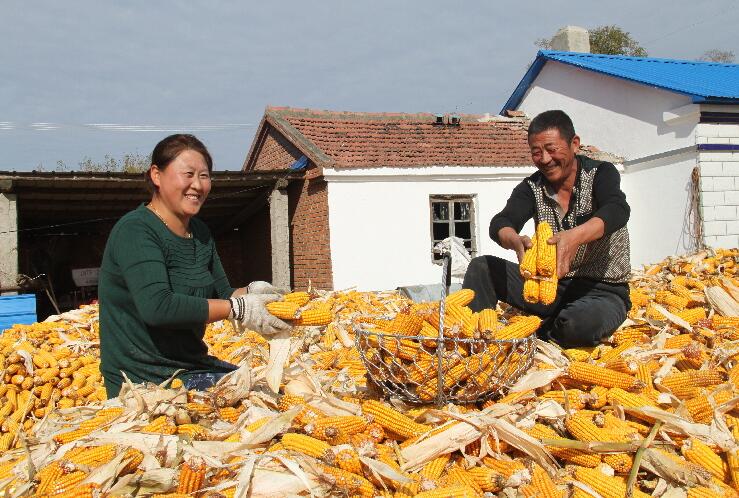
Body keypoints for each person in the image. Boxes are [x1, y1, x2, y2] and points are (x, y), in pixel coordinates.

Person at [98, 134, 291, 398]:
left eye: (204, 176)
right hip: (144, 379)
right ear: (156, 174)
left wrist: (254, 292)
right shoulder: (136, 231)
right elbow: (157, 307)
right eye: (188, 174)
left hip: (191, 366)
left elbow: (222, 294)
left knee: (272, 393)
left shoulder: (199, 232)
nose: (197, 185)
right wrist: (238, 308)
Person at [463, 110, 631, 347]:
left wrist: (575, 237)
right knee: (482, 267)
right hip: (546, 287)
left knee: (576, 325)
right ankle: (477, 340)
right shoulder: (532, 187)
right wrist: (514, 240)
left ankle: (543, 333)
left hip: (602, 291)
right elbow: (501, 222)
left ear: (574, 144)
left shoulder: (600, 174)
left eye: (552, 149)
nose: (544, 159)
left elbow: (618, 209)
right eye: (536, 152)